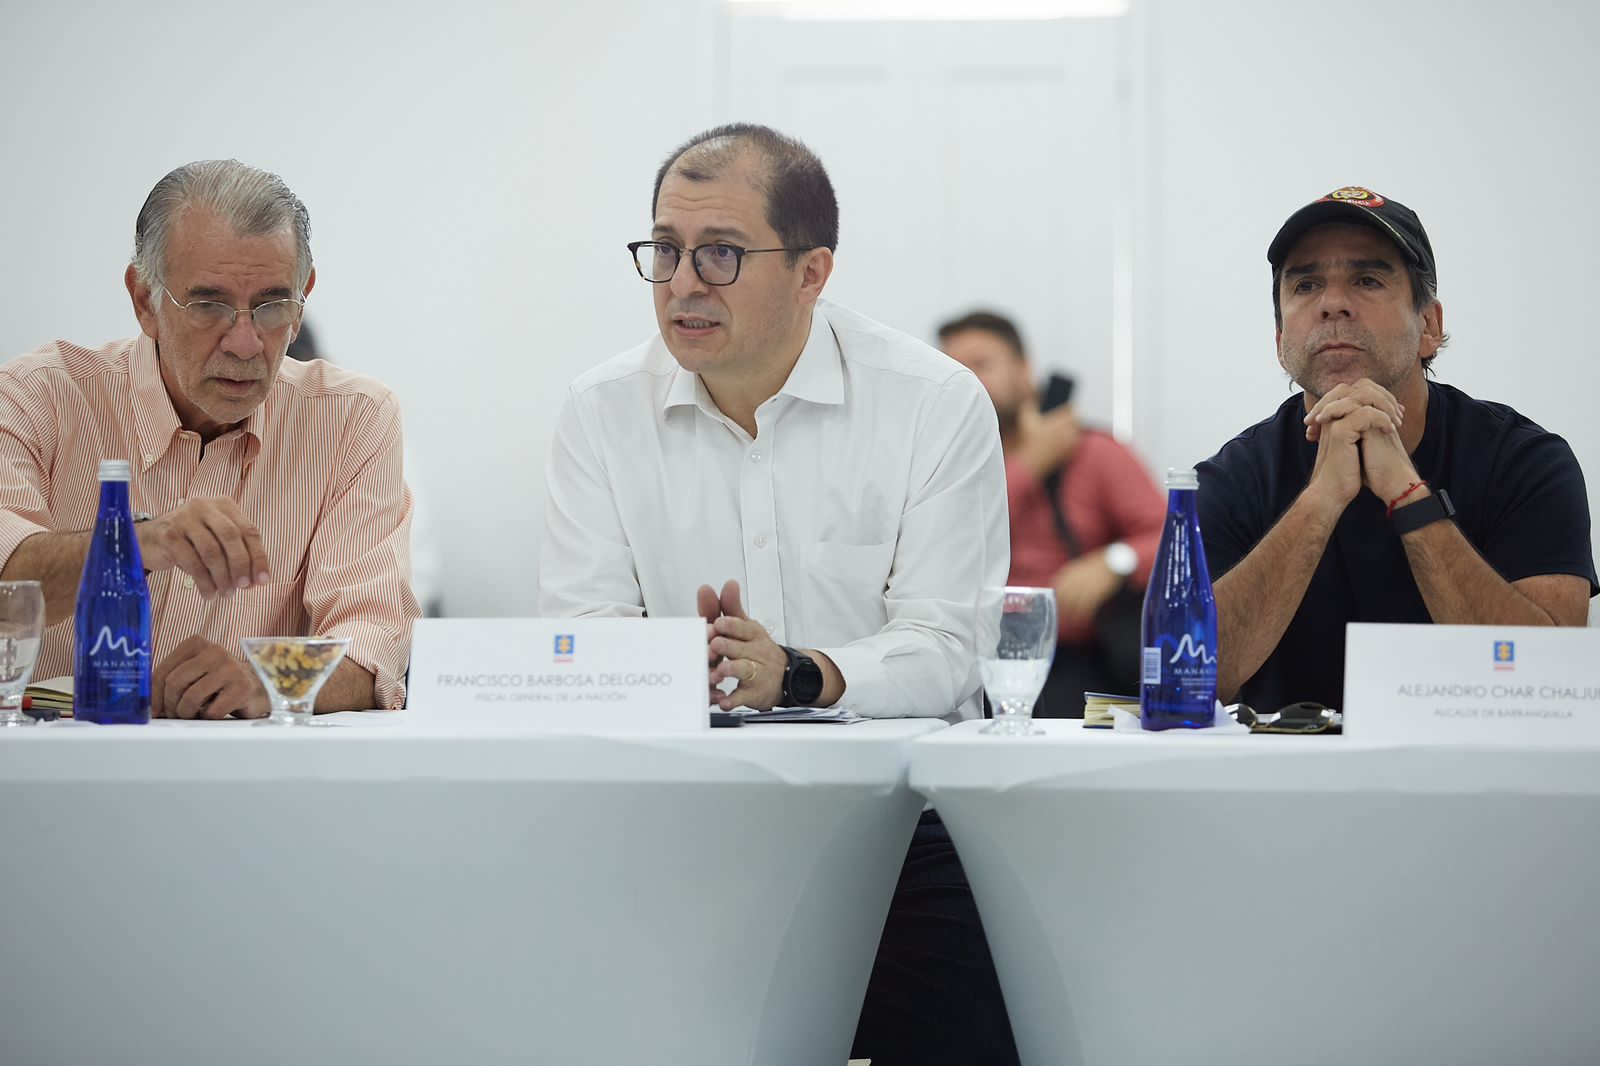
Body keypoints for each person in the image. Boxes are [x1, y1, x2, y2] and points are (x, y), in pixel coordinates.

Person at [538, 124, 1017, 1066]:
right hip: (684, 826)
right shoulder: (599, 412)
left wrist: (800, 675)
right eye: (664, 250)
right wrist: (693, 669)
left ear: (812, 272)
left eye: (720, 253)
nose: (681, 283)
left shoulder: (933, 402)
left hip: (900, 833)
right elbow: (583, 635)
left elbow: (952, 643)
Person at [0, 159, 419, 718]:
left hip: (243, 786)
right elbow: (8, 587)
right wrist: (136, 542)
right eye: (209, 305)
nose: (245, 344)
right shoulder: (39, 397)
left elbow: (372, 649)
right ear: (145, 299)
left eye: (272, 304)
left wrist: (264, 684)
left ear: (302, 299)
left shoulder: (351, 420)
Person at [1198, 186, 1596, 712]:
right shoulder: (1231, 478)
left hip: (1478, 781)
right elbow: (1188, 677)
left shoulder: (1525, 461)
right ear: (1280, 341)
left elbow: (1549, 685)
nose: (1333, 303)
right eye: (1306, 284)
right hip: (1286, 782)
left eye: (1367, 279)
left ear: (1430, 326)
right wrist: (1319, 502)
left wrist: (1408, 495)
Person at [940, 310, 1164, 709]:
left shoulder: (1093, 452)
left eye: (980, 364)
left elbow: (1168, 535)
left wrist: (1114, 561)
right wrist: (1031, 464)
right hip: (968, 661)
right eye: (954, 368)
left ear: (1024, 371)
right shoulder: (942, 464)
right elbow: (950, 531)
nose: (967, 380)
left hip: (1077, 661)